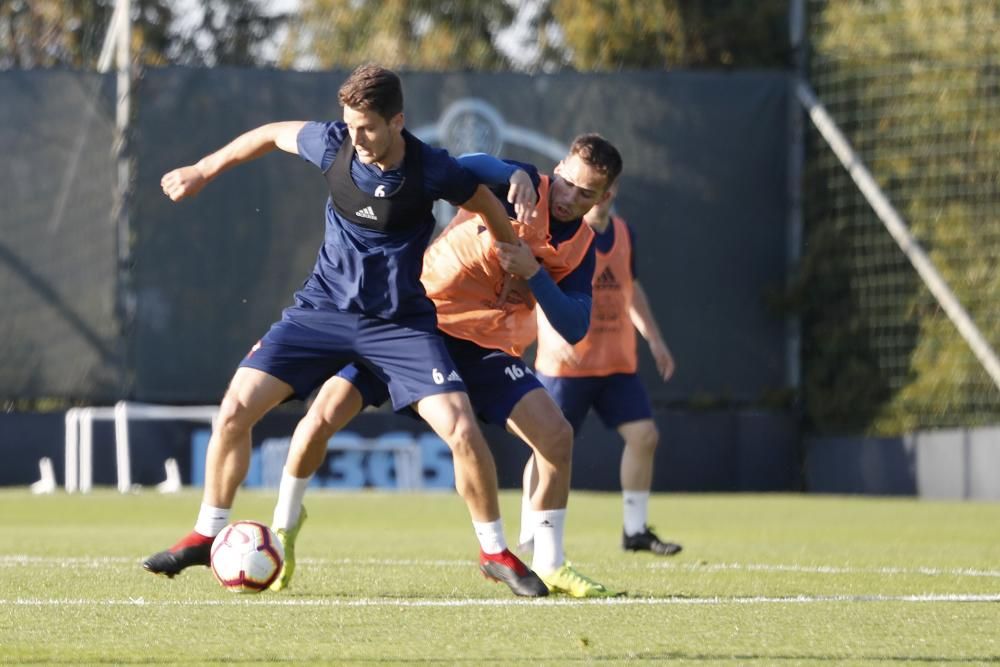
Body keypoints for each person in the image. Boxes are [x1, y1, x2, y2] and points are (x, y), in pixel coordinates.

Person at [142, 63, 550, 598]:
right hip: (321, 313)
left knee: (461, 429)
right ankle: (206, 532)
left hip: (399, 325)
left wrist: (507, 250)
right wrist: (204, 168)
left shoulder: (431, 169)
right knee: (236, 408)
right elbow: (268, 135)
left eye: (368, 128)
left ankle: (494, 552)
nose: (356, 137)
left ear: (397, 121)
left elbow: (485, 201)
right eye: (349, 124)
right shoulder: (332, 144)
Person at [268, 134, 625, 598]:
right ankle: (284, 531)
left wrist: (535, 275)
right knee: (321, 418)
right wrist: (512, 173)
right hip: (414, 325)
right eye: (567, 183)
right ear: (557, 167)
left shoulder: (582, 246)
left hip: (484, 346)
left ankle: (551, 562)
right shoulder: (519, 185)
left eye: (586, 194)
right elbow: (460, 165)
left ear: (605, 197)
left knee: (556, 437)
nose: (569, 198)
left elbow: (575, 324)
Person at [524, 179, 683, 556]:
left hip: (615, 365)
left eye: (594, 191)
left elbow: (630, 288)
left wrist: (654, 339)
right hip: (565, 365)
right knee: (544, 447)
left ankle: (635, 530)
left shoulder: (625, 233)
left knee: (645, 437)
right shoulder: (561, 234)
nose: (584, 199)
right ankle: (531, 531)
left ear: (608, 195)